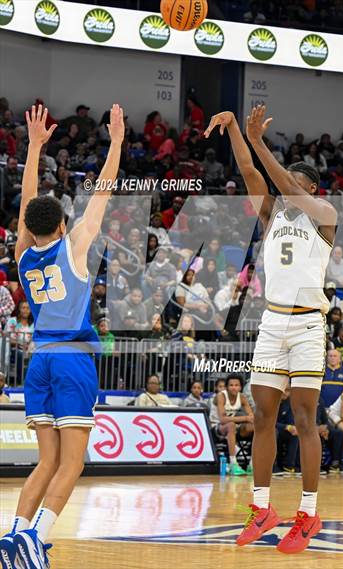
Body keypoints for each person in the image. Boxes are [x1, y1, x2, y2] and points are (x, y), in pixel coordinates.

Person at [205, 105, 337, 553]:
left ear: (311, 190)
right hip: (272, 320)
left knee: (304, 419)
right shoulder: (272, 215)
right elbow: (247, 169)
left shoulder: (324, 214)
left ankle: (309, 513)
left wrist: (261, 141)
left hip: (307, 326)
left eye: (294, 184)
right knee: (262, 415)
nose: (286, 190)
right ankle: (262, 508)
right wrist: (237, 133)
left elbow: (282, 183)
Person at [0, 104, 124, 567]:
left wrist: (33, 149)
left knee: (46, 461)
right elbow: (103, 194)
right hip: (72, 360)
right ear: (61, 225)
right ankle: (37, 537)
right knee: (72, 462)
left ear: (29, 230)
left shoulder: (24, 256)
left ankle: (14, 536)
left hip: (39, 362)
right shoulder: (74, 247)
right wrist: (114, 144)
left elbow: (27, 204)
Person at [211, 374, 254, 476]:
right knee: (231, 425)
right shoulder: (221, 396)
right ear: (226, 387)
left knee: (254, 427)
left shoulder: (242, 397)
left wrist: (249, 418)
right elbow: (222, 420)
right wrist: (244, 418)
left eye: (236, 385)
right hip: (215, 427)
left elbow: (251, 417)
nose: (234, 387)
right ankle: (233, 464)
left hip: (232, 427)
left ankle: (252, 464)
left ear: (240, 387)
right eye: (231, 385)